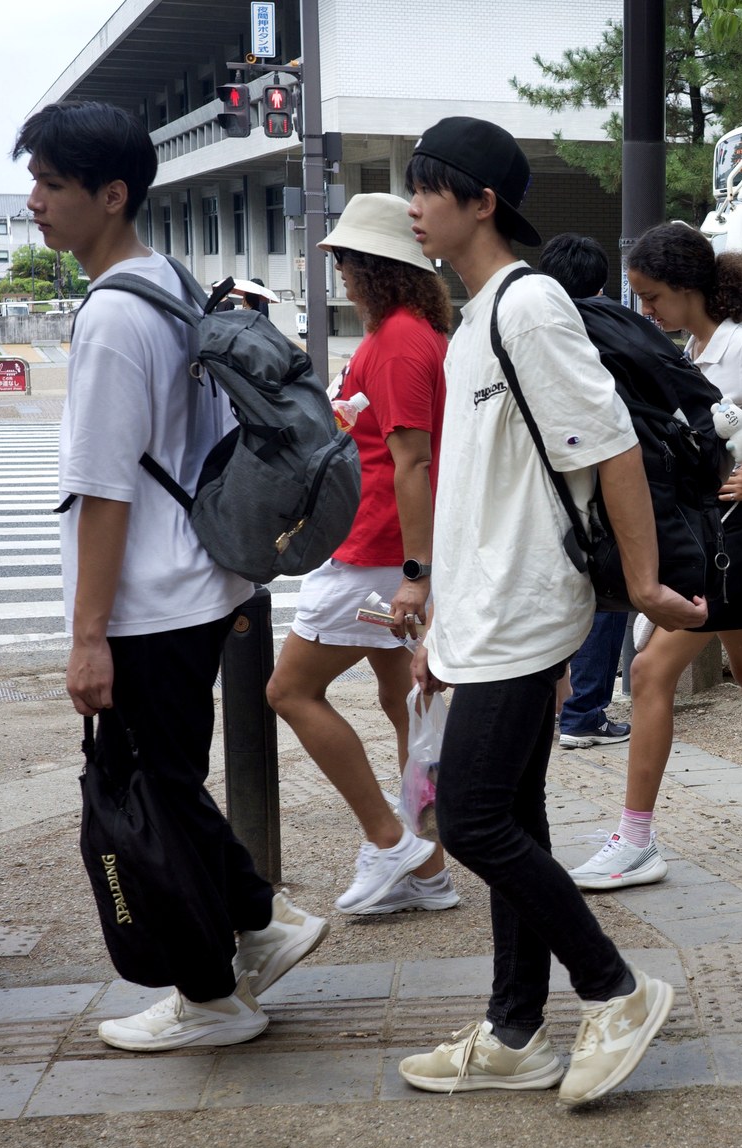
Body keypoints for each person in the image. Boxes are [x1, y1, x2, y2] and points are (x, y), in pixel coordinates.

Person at [397, 116, 705, 1104]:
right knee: (511, 811)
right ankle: (514, 1030)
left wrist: (647, 583)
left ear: (482, 201)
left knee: (475, 819)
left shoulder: (528, 306)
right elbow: (475, 493)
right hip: (485, 613)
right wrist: (439, 625)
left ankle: (615, 987)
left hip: (526, 609)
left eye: (428, 187)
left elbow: (608, 445)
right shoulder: (476, 315)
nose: (414, 205)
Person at [17, 101, 327, 1053]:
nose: (34, 203)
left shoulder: (114, 315)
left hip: (148, 602)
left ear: (111, 195)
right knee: (172, 784)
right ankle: (262, 925)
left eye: (52, 185)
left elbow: (105, 492)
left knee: (151, 793)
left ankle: (211, 997)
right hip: (195, 581)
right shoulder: (166, 282)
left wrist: (86, 635)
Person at [570, 221, 742, 892]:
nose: (646, 312)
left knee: (648, 671)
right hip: (727, 533)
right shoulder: (702, 345)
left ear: (688, 289)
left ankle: (635, 839)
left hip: (738, 534)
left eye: (652, 296)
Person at [267, 193, 457, 918]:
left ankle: (392, 841)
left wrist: (416, 574)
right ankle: (428, 866)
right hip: (384, 547)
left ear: (377, 267)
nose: (339, 271)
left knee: (289, 690)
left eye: (346, 259)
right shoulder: (412, 334)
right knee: (402, 699)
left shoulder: (401, 341)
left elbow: (414, 463)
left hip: (377, 552)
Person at [538, 232, 631, 750]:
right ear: (599, 287)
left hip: (539, 487)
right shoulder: (602, 329)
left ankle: (559, 702)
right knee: (607, 598)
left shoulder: (527, 327)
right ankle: (583, 711)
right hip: (596, 486)